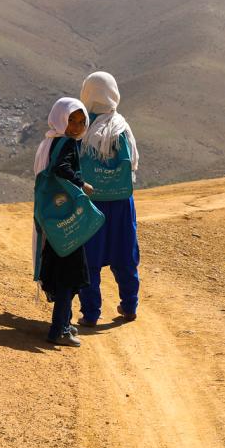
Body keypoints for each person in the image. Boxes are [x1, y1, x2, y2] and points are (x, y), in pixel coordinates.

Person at [77, 71, 141, 326]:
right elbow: (133, 163)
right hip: (121, 202)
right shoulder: (121, 127)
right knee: (124, 254)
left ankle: (91, 313)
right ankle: (129, 306)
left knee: (88, 258)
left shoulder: (80, 126)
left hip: (89, 201)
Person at [32, 96, 94, 346]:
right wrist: (82, 184)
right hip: (66, 219)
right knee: (69, 275)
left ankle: (64, 322)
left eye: (81, 122)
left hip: (50, 217)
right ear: (60, 119)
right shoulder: (66, 144)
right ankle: (58, 330)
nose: (77, 127)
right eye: (71, 120)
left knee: (60, 271)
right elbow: (61, 169)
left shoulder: (49, 142)